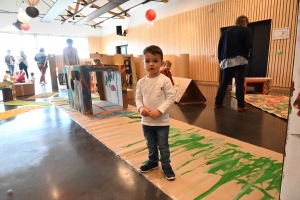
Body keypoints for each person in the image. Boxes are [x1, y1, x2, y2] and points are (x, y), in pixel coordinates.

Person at [135, 45, 176, 180]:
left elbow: (171, 97)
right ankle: (153, 162)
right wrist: (141, 108)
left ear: (161, 63)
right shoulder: (141, 82)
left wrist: (159, 111)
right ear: (143, 63)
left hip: (162, 122)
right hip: (146, 122)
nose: (151, 64)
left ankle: (166, 165)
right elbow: (138, 98)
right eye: (147, 61)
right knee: (150, 144)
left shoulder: (165, 80)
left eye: (155, 60)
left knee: (163, 145)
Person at [215, 15, 253, 112]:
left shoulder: (226, 31)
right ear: (245, 23)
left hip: (226, 59)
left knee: (224, 82)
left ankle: (218, 103)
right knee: (239, 82)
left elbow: (220, 46)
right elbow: (249, 44)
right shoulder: (246, 30)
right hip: (239, 58)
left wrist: (220, 59)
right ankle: (241, 105)